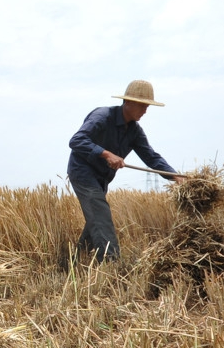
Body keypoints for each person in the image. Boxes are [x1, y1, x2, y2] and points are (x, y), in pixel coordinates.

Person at [67, 79, 181, 262]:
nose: (145, 111)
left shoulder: (135, 131)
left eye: (147, 106)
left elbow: (151, 157)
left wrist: (175, 176)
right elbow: (76, 140)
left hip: (102, 178)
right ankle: (112, 265)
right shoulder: (102, 116)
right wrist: (106, 154)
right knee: (101, 216)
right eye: (143, 106)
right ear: (128, 102)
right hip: (83, 172)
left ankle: (75, 263)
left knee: (95, 220)